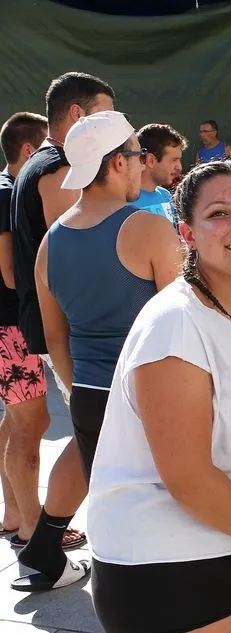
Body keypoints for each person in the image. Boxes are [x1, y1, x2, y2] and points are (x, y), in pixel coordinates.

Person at [87, 159, 231, 632]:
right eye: (219, 214)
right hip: (164, 553)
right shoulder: (175, 323)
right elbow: (187, 477)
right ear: (187, 233)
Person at [9, 71, 116, 589]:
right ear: (78, 115)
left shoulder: (43, 164)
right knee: (96, 436)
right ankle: (45, 544)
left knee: (89, 434)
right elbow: (75, 250)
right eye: (107, 117)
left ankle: (42, 544)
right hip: (73, 332)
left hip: (67, 329)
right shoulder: (57, 168)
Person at [36, 110, 182, 483]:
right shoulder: (151, 229)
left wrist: (78, 390)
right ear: (119, 162)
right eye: (138, 155)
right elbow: (184, 323)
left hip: (88, 397)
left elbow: (55, 337)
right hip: (150, 397)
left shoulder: (49, 243)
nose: (142, 164)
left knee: (111, 507)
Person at [0, 112, 50, 544]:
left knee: (19, 423)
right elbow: (10, 273)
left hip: (8, 328)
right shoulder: (6, 193)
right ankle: (32, 527)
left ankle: (15, 514)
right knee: (30, 425)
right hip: (10, 328)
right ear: (29, 150)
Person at [132, 123, 187, 224]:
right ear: (151, 160)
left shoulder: (166, 195)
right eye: (173, 160)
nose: (179, 167)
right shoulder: (125, 201)